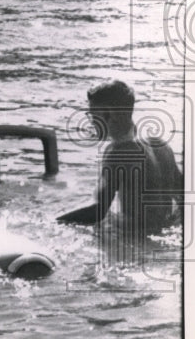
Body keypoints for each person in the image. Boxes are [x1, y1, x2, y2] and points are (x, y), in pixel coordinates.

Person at [70, 79, 183, 234]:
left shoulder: (117, 152)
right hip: (161, 235)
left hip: (133, 241)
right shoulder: (162, 145)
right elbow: (184, 197)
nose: (91, 123)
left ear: (108, 114)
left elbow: (98, 210)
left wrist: (53, 222)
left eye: (92, 115)